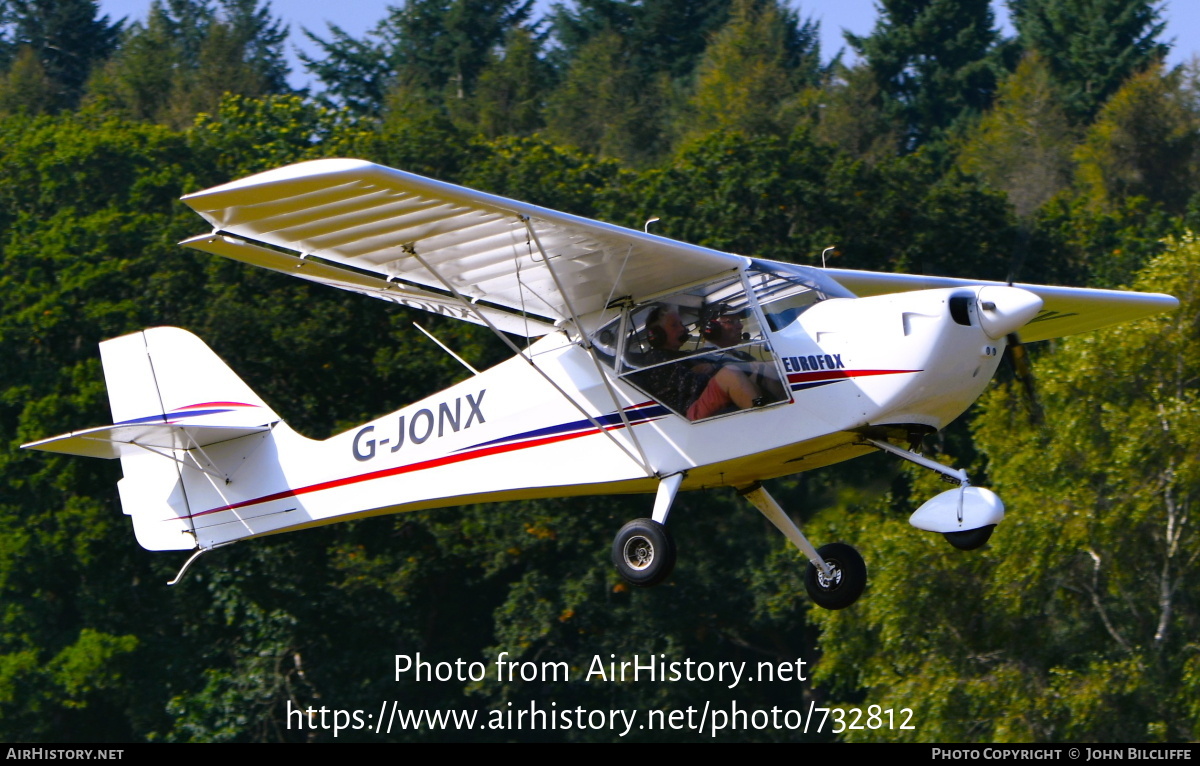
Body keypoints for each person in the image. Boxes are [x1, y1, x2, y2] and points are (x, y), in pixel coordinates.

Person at [637, 305, 762, 420]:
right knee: (729, 374)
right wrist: (715, 371)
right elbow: (695, 385)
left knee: (763, 371)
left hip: (700, 404)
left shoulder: (683, 355)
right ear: (658, 334)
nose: (682, 328)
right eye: (674, 325)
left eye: (681, 324)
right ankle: (762, 419)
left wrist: (711, 369)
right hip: (686, 416)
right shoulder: (656, 358)